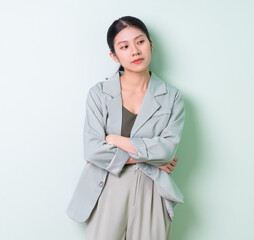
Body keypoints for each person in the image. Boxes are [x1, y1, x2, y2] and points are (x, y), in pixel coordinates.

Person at [65, 16, 186, 240]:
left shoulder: (172, 97)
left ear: (151, 45)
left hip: (153, 189)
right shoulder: (99, 94)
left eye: (140, 42)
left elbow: (166, 151)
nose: (135, 51)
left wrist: (115, 140)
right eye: (124, 46)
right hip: (107, 185)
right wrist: (149, 157)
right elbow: (92, 151)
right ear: (114, 55)